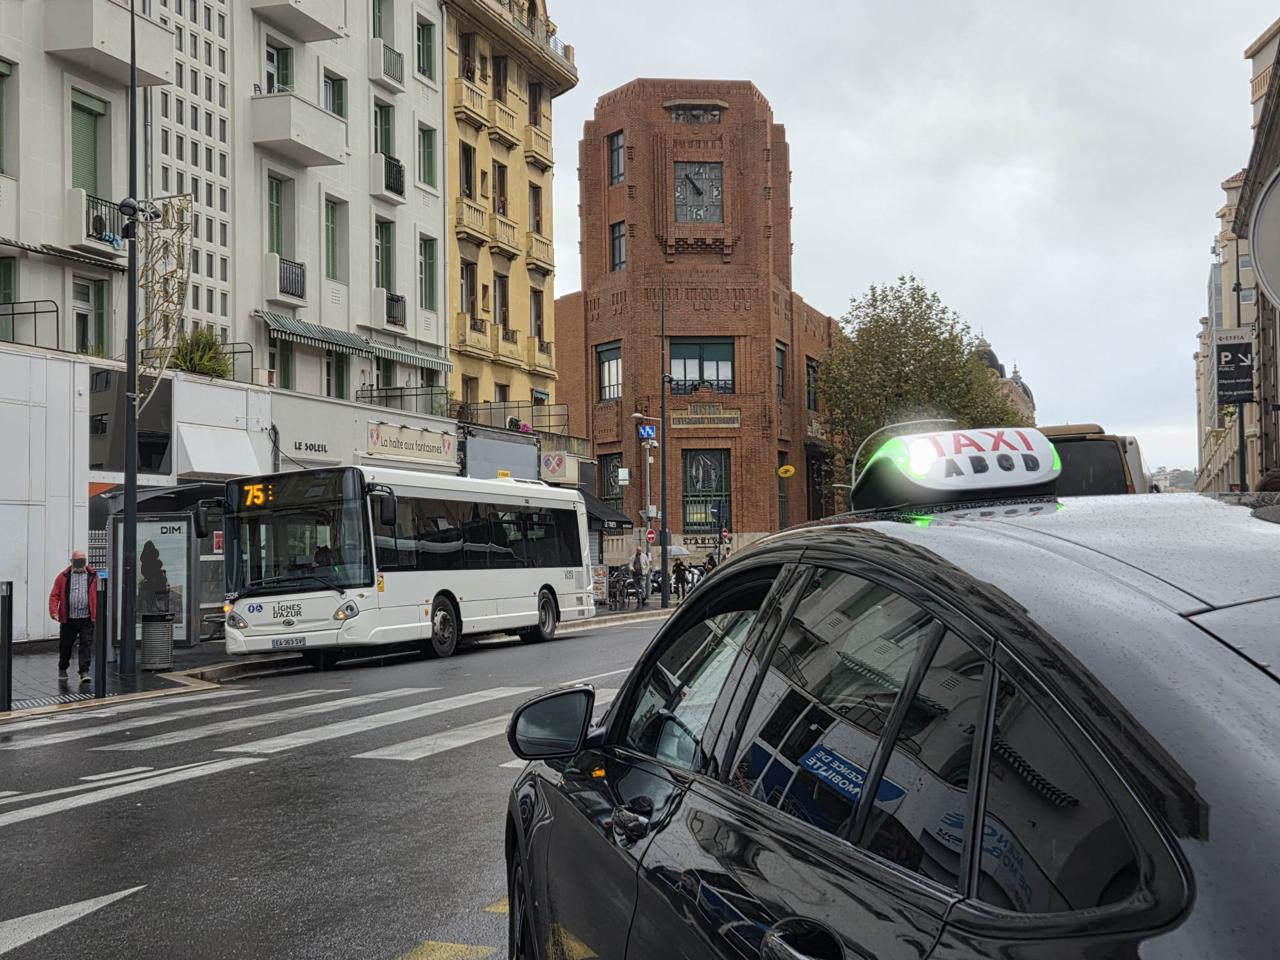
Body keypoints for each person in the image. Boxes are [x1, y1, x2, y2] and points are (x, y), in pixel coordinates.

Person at [48, 550, 97, 683]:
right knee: (65, 646)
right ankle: (63, 668)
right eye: (77, 560)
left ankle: (84, 672)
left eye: (82, 560)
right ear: (72, 561)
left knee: (86, 645)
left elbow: (99, 594)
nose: (80, 563)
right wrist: (54, 612)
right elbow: (54, 595)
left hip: (86, 618)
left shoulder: (93, 576)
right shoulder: (63, 576)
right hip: (68, 619)